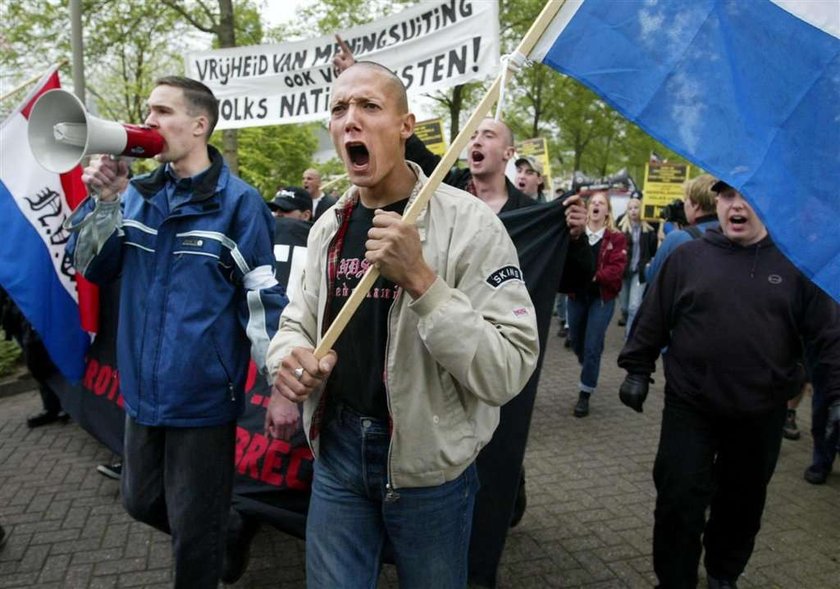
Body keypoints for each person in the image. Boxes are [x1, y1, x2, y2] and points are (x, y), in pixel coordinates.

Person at [264, 61, 539, 587]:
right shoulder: (328, 227)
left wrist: (420, 279)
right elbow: (295, 324)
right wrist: (288, 364)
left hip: (429, 465)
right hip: (337, 453)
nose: (351, 120)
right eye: (340, 109)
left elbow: (509, 369)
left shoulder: (471, 223)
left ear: (405, 126)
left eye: (369, 106)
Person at [65, 76, 287, 588]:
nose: (149, 122)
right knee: (140, 501)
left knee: (193, 539)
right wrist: (103, 203)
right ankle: (225, 526)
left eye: (162, 112)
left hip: (204, 398)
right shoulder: (135, 195)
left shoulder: (240, 204)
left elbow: (261, 299)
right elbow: (91, 267)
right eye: (147, 111)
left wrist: (279, 386)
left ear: (199, 125)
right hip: (142, 395)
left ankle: (210, 537)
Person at [617, 181, 840, 589]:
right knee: (678, 499)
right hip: (690, 407)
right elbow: (654, 315)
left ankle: (723, 572)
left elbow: (827, 337)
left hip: (761, 412)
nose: (737, 206)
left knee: (742, 502)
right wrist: (636, 369)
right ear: (716, 203)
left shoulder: (796, 266)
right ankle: (675, 579)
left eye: (750, 196)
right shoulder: (687, 257)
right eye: (727, 196)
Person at [565, 192, 627, 417]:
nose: (596, 206)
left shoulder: (616, 238)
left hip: (601, 299)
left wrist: (592, 276)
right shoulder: (575, 234)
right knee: (577, 343)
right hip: (576, 296)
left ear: (608, 211)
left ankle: (585, 393)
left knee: (592, 346)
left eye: (601, 203)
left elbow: (617, 269)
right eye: (593, 203)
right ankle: (588, 357)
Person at [0, 288, 68, 428]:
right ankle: (52, 406)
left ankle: (65, 404)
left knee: (48, 357)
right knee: (36, 361)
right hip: (14, 312)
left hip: (31, 304)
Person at [646, 174, 719, 283]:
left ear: (695, 205)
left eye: (686, 200)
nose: (683, 205)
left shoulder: (678, 238)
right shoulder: (734, 234)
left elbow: (652, 277)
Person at [616, 196, 657, 336]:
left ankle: (629, 338)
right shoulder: (621, 227)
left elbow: (653, 250)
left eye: (636, 208)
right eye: (630, 208)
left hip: (639, 272)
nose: (633, 211)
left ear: (641, 209)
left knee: (634, 307)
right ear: (627, 211)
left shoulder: (649, 229)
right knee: (625, 307)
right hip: (624, 271)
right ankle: (628, 322)